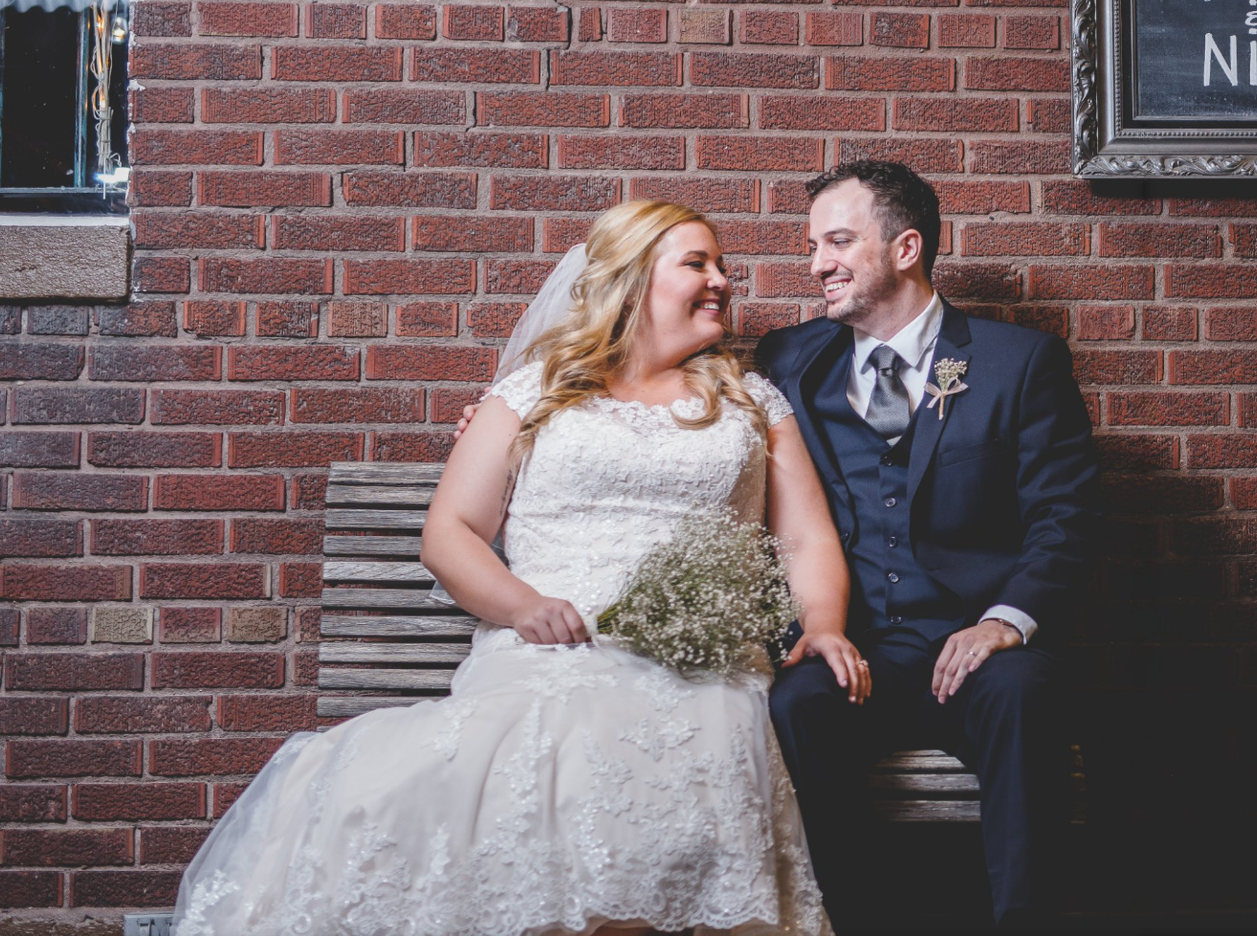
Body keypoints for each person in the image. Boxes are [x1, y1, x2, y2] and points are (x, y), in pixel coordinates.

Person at [170, 201, 865, 936]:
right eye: (698, 262)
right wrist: (521, 606)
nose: (722, 279)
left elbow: (805, 541)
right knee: (450, 775)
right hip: (545, 649)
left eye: (721, 265)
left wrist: (822, 626)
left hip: (694, 662)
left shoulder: (751, 402)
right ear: (630, 280)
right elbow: (451, 533)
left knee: (661, 746)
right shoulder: (536, 392)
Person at [756, 160, 1101, 928]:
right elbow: (666, 386)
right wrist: (512, 413)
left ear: (906, 248)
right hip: (856, 647)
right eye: (813, 246)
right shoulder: (786, 360)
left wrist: (1003, 622)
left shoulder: (1019, 364)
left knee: (1022, 694)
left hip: (974, 645)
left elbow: (1065, 517)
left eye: (838, 242)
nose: (818, 265)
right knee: (795, 703)